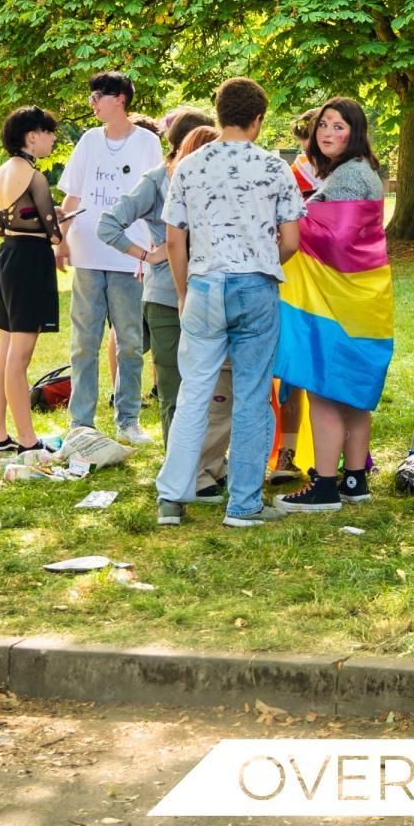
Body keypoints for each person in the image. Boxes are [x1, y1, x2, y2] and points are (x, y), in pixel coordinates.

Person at [156, 78, 306, 528]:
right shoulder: (274, 168)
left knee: (194, 393)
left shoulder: (189, 166)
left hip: (203, 284)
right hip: (255, 286)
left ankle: (172, 498)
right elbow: (293, 241)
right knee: (253, 397)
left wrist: (184, 291)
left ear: (218, 115)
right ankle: (243, 505)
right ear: (258, 120)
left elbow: (173, 239)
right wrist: (262, 257)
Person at [99, 111, 234, 502]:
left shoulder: (212, 177)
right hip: (165, 297)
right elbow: (108, 225)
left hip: (210, 291)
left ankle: (210, 466)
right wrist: (149, 254)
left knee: (215, 389)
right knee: (176, 392)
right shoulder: (158, 179)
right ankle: (181, 475)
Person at [278, 98, 394, 513]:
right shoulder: (362, 171)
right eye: (323, 125)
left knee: (325, 391)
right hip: (364, 301)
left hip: (338, 302)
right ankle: (354, 479)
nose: (327, 133)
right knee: (354, 395)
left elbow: (332, 240)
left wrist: (291, 220)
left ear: (355, 131)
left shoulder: (347, 177)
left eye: (338, 126)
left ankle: (325, 485)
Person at [59, 71, 165, 448]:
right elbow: (72, 196)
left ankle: (128, 420)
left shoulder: (148, 143)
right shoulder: (88, 141)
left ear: (119, 98)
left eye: (97, 96)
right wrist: (61, 240)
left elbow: (157, 197)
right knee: (84, 342)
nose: (92, 104)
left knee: (131, 343)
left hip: (130, 255)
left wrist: (158, 247)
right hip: (88, 252)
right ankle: (81, 422)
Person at [0, 105, 65, 454]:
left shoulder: (5, 170)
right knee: (20, 357)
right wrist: (60, 220)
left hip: (5, 256)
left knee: (3, 351)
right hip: (29, 263)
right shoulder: (34, 176)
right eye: (49, 133)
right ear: (32, 136)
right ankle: (29, 441)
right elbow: (53, 233)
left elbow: (6, 224)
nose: (52, 139)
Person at [271, 111, 321, 485]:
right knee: (290, 371)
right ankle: (287, 453)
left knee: (329, 369)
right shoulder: (290, 176)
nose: (311, 142)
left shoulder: (349, 176)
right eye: (306, 135)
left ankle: (337, 454)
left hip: (332, 285)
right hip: (293, 282)